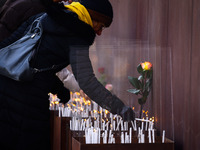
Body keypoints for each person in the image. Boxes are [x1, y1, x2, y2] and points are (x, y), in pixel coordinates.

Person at [0, 0, 135, 149]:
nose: (99, 32)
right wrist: (120, 108)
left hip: (6, 88)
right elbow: (87, 82)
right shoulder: (78, 35)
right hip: (28, 101)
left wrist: (58, 88)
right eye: (101, 26)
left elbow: (25, 57)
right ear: (92, 17)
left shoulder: (44, 17)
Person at [0, 0, 83, 95]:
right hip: (15, 83)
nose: (69, 1)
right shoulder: (37, 10)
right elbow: (40, 61)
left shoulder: (29, 4)